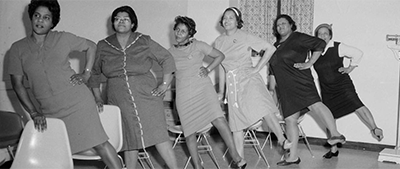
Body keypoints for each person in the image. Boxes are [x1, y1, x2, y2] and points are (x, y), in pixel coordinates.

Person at [8, 0, 123, 169]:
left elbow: (91, 46)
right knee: (55, 153)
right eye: (37, 16)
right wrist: (33, 112)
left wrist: (86, 73)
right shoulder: (17, 49)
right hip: (49, 111)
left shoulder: (63, 38)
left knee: (99, 144)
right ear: (31, 17)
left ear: (53, 22)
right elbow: (17, 84)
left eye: (46, 18)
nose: (40, 21)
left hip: (78, 103)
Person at [87, 6, 178, 169]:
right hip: (118, 97)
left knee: (159, 136)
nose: (121, 21)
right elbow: (94, 74)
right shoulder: (103, 45)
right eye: (117, 19)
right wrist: (98, 97)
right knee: (129, 140)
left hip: (147, 95)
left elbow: (167, 59)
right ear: (113, 23)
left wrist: (165, 84)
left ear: (133, 23)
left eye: (125, 19)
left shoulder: (143, 40)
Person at [214, 7, 291, 165]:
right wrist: (221, 91)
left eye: (231, 17)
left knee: (264, 107)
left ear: (237, 21)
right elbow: (221, 66)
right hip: (232, 82)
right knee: (236, 125)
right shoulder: (219, 41)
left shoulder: (244, 36)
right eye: (225, 18)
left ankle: (283, 140)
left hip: (249, 78)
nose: (227, 20)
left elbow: (270, 49)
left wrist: (257, 68)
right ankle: (240, 161)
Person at [168, 16, 246, 169]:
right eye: (177, 30)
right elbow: (168, 73)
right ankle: (197, 166)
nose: (178, 33)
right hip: (183, 94)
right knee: (189, 132)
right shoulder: (169, 52)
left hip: (203, 90)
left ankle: (236, 156)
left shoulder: (198, 45)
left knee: (219, 119)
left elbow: (220, 56)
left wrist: (208, 69)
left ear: (190, 34)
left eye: (183, 31)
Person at [269, 14, 346, 166]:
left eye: (284, 23)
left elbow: (320, 43)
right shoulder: (276, 45)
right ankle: (292, 157)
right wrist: (272, 89)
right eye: (278, 25)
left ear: (291, 25)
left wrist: (310, 62)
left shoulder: (297, 37)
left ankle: (335, 134)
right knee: (290, 120)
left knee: (315, 105)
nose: (281, 26)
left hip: (301, 81)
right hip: (286, 89)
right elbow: (273, 68)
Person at [314, 23, 383, 158]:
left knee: (357, 105)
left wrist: (349, 68)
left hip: (342, 85)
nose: (322, 36)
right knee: (330, 118)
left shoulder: (338, 47)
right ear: (316, 36)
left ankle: (375, 128)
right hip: (327, 89)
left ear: (330, 36)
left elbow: (358, 53)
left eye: (325, 33)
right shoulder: (314, 51)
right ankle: (333, 150)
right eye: (319, 34)